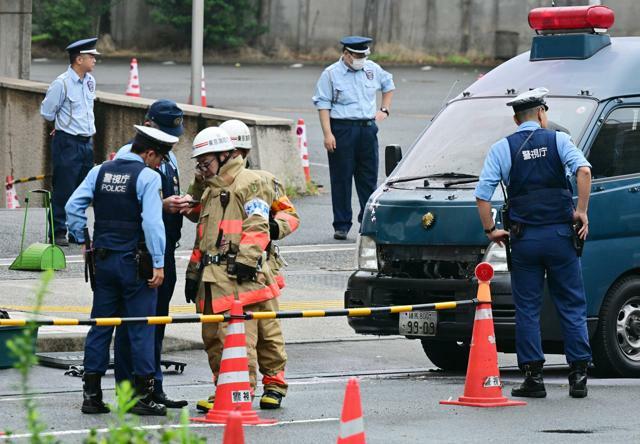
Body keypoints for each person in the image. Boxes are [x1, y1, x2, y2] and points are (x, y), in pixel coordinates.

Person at [474, 87, 592, 399]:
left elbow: (482, 195)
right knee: (571, 303)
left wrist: (491, 230)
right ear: (542, 113)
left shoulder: (502, 148)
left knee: (527, 307)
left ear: (516, 118)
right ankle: (578, 375)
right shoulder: (558, 140)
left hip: (524, 239)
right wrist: (580, 211)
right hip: (560, 237)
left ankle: (533, 378)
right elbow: (583, 170)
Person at [185, 119, 299, 410]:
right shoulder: (210, 189)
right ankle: (229, 388)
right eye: (199, 163)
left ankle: (244, 390)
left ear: (228, 153)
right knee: (215, 337)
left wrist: (248, 259)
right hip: (214, 278)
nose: (202, 168)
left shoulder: (253, 182)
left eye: (205, 162)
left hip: (245, 273)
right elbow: (203, 234)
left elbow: (260, 224)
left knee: (250, 335)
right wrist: (193, 272)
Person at [66, 125, 177, 416]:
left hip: (102, 263)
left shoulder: (99, 171)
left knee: (100, 327)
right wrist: (158, 263)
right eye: (160, 159)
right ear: (149, 153)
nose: (160, 165)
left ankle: (91, 396)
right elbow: (154, 224)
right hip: (134, 265)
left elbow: (73, 206)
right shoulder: (147, 177)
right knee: (140, 327)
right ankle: (140, 397)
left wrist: (82, 236)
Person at [112, 100, 190, 409]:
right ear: (148, 124)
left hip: (165, 249)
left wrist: (184, 205)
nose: (171, 140)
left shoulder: (170, 159)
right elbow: (126, 204)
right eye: (165, 132)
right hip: (138, 253)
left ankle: (153, 384)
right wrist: (163, 205)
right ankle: (129, 390)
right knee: (133, 323)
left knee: (157, 321)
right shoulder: (126, 157)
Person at [312, 35, 395, 240]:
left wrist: (384, 109)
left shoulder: (371, 69)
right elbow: (323, 104)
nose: (361, 59)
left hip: (367, 129)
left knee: (368, 178)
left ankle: (367, 221)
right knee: (341, 179)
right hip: (342, 129)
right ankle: (341, 224)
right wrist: (327, 133)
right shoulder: (331, 74)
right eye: (357, 55)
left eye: (363, 55)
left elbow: (389, 85)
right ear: (346, 54)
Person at [41, 37, 100, 246]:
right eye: (91, 56)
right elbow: (47, 112)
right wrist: (60, 126)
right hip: (67, 142)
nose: (94, 59)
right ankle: (57, 231)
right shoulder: (62, 83)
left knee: (83, 189)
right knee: (64, 188)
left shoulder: (90, 81)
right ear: (78, 59)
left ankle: (77, 231)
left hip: (86, 142)